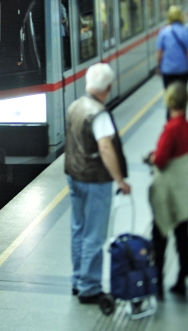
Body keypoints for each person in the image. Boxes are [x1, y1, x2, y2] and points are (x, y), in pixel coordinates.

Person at [64, 63, 131, 304]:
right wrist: (119, 180)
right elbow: (105, 147)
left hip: (74, 176)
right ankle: (89, 287)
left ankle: (77, 279)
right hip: (95, 180)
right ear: (109, 88)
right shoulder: (99, 114)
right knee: (94, 234)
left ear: (86, 83)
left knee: (78, 230)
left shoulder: (75, 106)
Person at [147, 83, 188, 298]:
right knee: (183, 234)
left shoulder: (170, 128)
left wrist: (151, 158)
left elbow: (160, 160)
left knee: (160, 234)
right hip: (183, 188)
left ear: (169, 102)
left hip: (167, 189)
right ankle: (182, 278)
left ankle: (158, 283)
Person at [156, 5, 188, 94]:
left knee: (169, 95)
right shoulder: (185, 31)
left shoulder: (163, 32)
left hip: (167, 70)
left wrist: (158, 67)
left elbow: (159, 53)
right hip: (183, 70)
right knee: (181, 96)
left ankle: (170, 107)